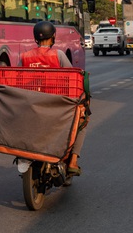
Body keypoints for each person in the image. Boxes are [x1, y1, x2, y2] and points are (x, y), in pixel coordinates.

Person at [20, 21, 87, 178]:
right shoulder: (58, 55)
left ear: (36, 37)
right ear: (53, 37)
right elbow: (72, 79)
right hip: (56, 105)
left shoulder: (25, 56)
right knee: (82, 122)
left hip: (31, 104)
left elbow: (18, 79)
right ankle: (72, 162)